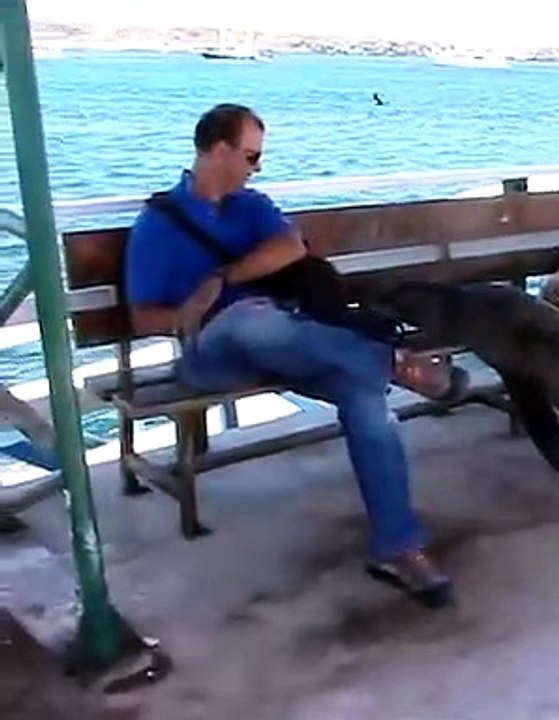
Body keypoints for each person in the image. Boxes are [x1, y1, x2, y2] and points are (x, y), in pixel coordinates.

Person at [124, 102, 467, 608]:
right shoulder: (158, 225)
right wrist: (188, 312)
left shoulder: (251, 206)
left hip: (291, 343)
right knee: (248, 319)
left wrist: (223, 278)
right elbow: (142, 319)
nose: (256, 167)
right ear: (219, 150)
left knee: (364, 399)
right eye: (251, 156)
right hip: (211, 355)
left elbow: (291, 248)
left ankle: (397, 547)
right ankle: (393, 361)